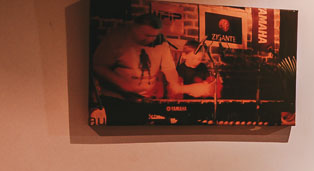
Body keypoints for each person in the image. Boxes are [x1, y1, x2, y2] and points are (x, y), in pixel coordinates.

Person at [91, 13, 219, 106]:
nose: (150, 39)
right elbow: (98, 66)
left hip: (144, 101)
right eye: (146, 35)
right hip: (116, 100)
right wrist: (124, 85)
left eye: (154, 35)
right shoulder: (117, 38)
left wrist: (186, 88)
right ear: (134, 28)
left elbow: (170, 70)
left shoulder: (161, 42)